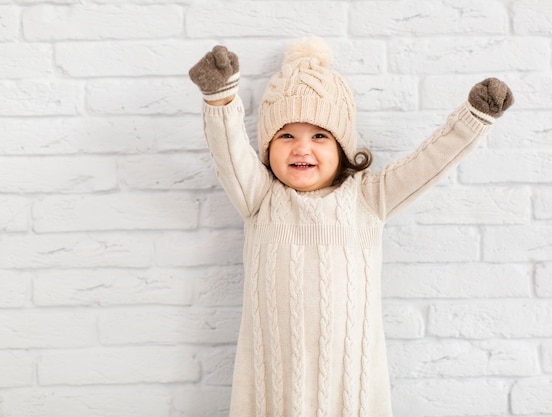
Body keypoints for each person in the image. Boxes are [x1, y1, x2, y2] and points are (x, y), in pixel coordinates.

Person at [189, 36, 513, 417]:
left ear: (342, 146)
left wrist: (474, 119)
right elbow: (230, 154)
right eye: (286, 135)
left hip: (350, 385)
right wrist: (221, 100)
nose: (301, 148)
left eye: (320, 136)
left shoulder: (368, 198)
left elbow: (428, 163)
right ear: (267, 148)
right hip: (273, 386)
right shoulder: (260, 198)